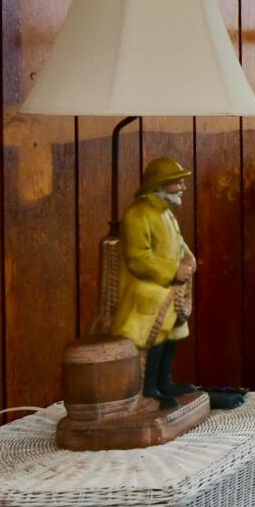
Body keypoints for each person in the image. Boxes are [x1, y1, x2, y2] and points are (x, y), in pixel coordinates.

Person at [108, 153, 200, 405]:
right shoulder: (138, 216)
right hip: (147, 292)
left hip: (171, 292)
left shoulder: (167, 215)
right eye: (177, 182)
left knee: (173, 335)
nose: (182, 188)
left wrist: (188, 260)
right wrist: (172, 271)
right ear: (159, 185)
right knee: (154, 338)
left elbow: (179, 246)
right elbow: (138, 258)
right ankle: (148, 388)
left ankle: (164, 382)